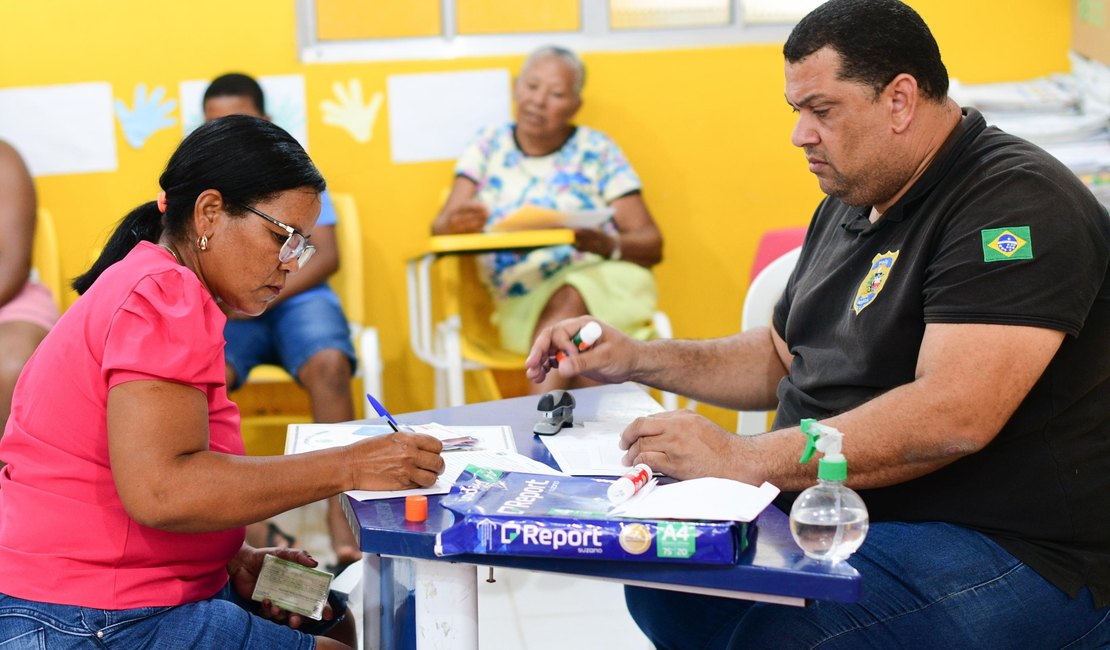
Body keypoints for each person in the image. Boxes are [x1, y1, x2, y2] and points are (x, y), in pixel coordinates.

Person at [525, 1, 1110, 646]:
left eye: (821, 110)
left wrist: (742, 459)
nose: (800, 134)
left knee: (789, 636)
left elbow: (955, 414)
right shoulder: (857, 195)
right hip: (856, 512)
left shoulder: (1016, 205)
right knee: (669, 579)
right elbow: (781, 358)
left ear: (900, 100)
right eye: (796, 111)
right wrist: (637, 357)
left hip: (1012, 545)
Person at [0, 115, 445, 649]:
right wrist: (351, 466)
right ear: (209, 212)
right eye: (281, 237)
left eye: (301, 246)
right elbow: (163, 491)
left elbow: (129, 461)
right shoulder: (165, 296)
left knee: (326, 606)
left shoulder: (158, 283)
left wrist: (231, 554)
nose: (289, 264)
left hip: (103, 587)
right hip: (84, 613)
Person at [432, 46, 664, 393]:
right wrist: (457, 223)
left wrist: (607, 244)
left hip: (606, 284)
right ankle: (587, 439)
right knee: (588, 357)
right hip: (521, 299)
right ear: (515, 88)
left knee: (572, 299)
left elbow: (651, 243)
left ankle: (540, 426)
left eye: (555, 94)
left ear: (575, 106)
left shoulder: (597, 150)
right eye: (531, 86)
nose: (538, 100)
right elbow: (439, 228)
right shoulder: (487, 146)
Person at [204, 72, 362, 571]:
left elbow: (326, 253)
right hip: (233, 305)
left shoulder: (295, 169)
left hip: (298, 297)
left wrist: (268, 287)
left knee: (330, 366)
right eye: (216, 123)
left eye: (241, 120)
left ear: (266, 121)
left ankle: (345, 520)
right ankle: (238, 529)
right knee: (200, 380)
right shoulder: (204, 188)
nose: (229, 130)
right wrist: (241, 295)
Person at [0, 140, 58, 454]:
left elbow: (11, 265)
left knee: (9, 363)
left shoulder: (3, 160)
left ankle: (11, 492)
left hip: (10, 300)